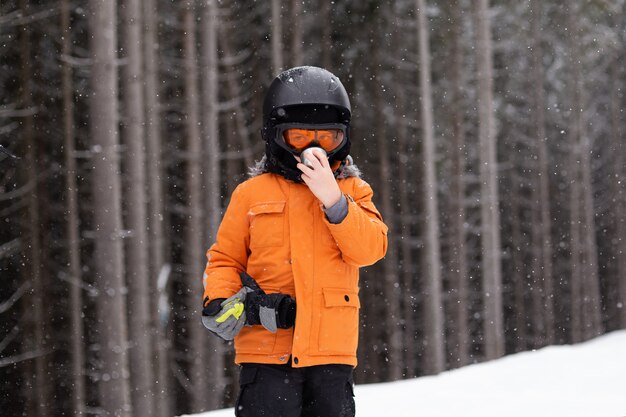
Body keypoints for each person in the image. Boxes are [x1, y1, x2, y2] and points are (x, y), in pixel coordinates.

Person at [201, 66, 388, 417]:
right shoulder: (251, 194)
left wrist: (334, 201)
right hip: (266, 355)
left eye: (327, 138)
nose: (313, 150)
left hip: (330, 355)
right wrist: (222, 300)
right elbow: (225, 259)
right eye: (300, 138)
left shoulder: (353, 191)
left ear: (342, 138)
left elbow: (370, 250)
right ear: (276, 136)